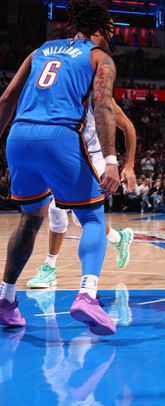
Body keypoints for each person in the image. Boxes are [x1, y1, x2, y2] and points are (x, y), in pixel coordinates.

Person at [0, 0, 122, 335]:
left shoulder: (41, 50)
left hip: (19, 136)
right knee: (92, 216)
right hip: (59, 136)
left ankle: (6, 298)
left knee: (30, 217)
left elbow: (7, 98)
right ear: (103, 26)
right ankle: (87, 294)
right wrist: (111, 160)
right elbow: (102, 105)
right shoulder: (101, 58)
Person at [27, 99, 138, 289]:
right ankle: (119, 238)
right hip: (68, 158)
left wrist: (129, 165)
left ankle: (50, 267)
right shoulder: (62, 95)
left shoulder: (99, 99)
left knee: (71, 213)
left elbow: (128, 127)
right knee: (62, 214)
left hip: (95, 158)